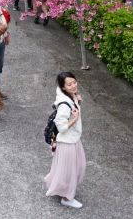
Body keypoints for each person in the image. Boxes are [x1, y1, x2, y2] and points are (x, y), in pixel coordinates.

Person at [44, 71, 85, 209]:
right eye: (69, 84)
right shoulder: (64, 104)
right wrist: (75, 119)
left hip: (73, 140)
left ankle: (61, 189)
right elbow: (61, 127)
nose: (73, 86)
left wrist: (78, 102)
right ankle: (67, 198)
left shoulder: (71, 97)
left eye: (74, 82)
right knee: (72, 171)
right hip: (67, 142)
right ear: (63, 87)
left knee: (71, 168)